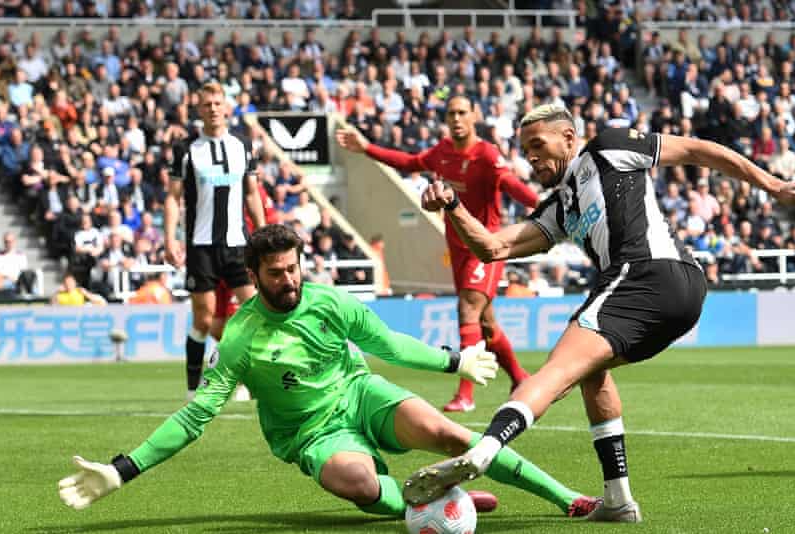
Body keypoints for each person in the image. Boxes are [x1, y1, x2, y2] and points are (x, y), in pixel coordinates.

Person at [403, 104, 795, 522]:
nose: (529, 157)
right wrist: (454, 206)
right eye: (523, 149)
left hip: (647, 275)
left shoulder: (609, 148)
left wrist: (772, 184)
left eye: (537, 145)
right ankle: (618, 499)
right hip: (678, 291)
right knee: (589, 372)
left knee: (556, 370)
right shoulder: (560, 206)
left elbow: (696, 150)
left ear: (568, 137)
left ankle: (483, 451)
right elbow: (493, 247)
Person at [57, 224, 600, 519]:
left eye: (294, 268)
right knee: (361, 481)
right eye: (276, 274)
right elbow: (198, 414)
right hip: (308, 432)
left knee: (452, 435)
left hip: (360, 392)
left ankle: (567, 499)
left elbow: (385, 343)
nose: (289, 281)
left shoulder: (327, 300)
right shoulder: (241, 336)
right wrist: (124, 468)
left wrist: (453, 360)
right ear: (253, 276)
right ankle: (428, 501)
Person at [336, 95, 537, 412]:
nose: (456, 118)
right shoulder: (442, 152)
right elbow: (409, 162)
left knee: (467, 310)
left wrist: (543, 207)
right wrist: (366, 148)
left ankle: (465, 394)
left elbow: (512, 185)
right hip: (457, 249)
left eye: (462, 112)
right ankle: (519, 377)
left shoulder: (486, 154)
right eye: (450, 113)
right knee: (485, 324)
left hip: (484, 248)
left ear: (474, 115)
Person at [164, 82, 266, 401]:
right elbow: (173, 197)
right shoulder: (186, 150)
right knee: (204, 318)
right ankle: (194, 387)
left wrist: (262, 234)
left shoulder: (242, 145)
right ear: (199, 110)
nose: (213, 109)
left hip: (238, 244)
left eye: (217, 103)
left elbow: (252, 192)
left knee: (255, 313)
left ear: (226, 107)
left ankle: (246, 381)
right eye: (206, 104)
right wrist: (170, 238)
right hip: (201, 244)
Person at [209, 179, 279, 401]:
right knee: (216, 326)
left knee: (240, 321)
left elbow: (270, 222)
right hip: (214, 256)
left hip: (240, 260)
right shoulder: (216, 182)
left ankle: (247, 382)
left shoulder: (254, 190)